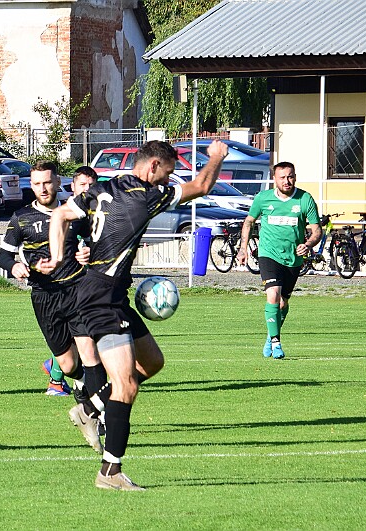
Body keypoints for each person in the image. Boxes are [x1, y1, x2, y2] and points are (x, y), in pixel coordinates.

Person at [50, 140, 228, 490]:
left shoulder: (104, 187)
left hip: (111, 293)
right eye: (168, 173)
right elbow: (203, 185)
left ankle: (89, 408)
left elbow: (60, 215)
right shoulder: (146, 196)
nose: (168, 180)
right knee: (127, 385)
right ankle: (110, 472)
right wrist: (217, 156)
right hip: (101, 297)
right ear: (153, 167)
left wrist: (58, 257)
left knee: (152, 362)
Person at [0, 162, 95, 398]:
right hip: (45, 296)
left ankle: (97, 400)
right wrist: (14, 266)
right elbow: (3, 256)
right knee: (68, 366)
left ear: (58, 182)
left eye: (47, 183)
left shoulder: (74, 213)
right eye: (37, 184)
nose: (42, 189)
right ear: (31, 186)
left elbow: (94, 242)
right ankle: (81, 382)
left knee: (89, 351)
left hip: (76, 289)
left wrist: (88, 252)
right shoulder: (21, 218)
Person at [237, 162, 321, 360]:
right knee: (273, 294)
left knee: (283, 303)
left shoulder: (305, 199)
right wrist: (243, 248)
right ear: (274, 179)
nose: (286, 181)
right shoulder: (263, 198)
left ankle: (270, 335)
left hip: (293, 257)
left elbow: (317, 230)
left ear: (295, 177)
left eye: (290, 176)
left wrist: (308, 244)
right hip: (268, 254)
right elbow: (248, 222)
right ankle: (276, 342)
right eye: (282, 177)